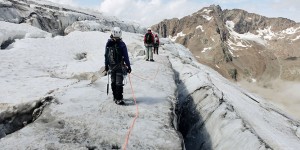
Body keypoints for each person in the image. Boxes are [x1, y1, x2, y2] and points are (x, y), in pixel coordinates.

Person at [104, 27, 131, 105]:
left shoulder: (108, 43)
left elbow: (106, 55)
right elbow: (126, 56)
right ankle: (119, 99)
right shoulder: (122, 44)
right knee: (119, 82)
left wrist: (106, 65)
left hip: (111, 66)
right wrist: (128, 66)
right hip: (119, 66)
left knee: (113, 81)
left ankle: (115, 97)